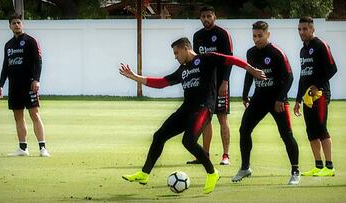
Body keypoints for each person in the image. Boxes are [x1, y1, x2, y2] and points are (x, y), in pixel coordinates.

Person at [120, 37, 266, 194]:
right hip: (187, 109)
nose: (175, 56)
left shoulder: (206, 58)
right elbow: (162, 82)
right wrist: (135, 77)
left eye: (176, 53)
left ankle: (212, 172)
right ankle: (144, 173)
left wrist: (252, 70)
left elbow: (231, 59)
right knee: (159, 136)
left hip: (204, 108)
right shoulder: (183, 69)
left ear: (185, 48)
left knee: (188, 141)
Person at [231, 21, 300, 185]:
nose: (256, 39)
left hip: (277, 100)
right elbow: (250, 73)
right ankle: (245, 167)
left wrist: (280, 98)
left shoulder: (276, 53)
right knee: (244, 130)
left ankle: (295, 171)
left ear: (268, 34)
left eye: (260, 36)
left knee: (286, 135)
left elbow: (289, 77)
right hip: (259, 99)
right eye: (254, 36)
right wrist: (245, 94)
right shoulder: (251, 53)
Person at [0, 13, 50, 157]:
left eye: (18, 22)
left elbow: (38, 61)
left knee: (34, 114)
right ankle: (23, 148)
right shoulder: (8, 45)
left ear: (23, 24)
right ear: (10, 26)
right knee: (18, 116)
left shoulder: (31, 41)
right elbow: (5, 66)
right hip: (14, 87)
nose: (16, 25)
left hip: (29, 85)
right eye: (13, 23)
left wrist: (36, 80)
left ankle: (43, 148)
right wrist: (1, 85)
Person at [187, 6, 233, 165]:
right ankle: (204, 155)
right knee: (205, 119)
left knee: (222, 118)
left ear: (215, 16)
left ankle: (225, 155)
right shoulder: (197, 36)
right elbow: (196, 60)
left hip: (220, 83)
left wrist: (225, 82)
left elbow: (229, 59)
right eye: (203, 16)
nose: (206, 19)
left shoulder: (222, 34)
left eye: (209, 16)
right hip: (204, 86)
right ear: (200, 18)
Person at [294, 16, 337, 177]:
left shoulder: (320, 45)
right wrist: (298, 100)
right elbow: (303, 76)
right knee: (311, 131)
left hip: (320, 94)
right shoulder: (303, 50)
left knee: (321, 129)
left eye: (305, 29)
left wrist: (316, 86)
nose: (302, 32)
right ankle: (318, 166)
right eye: (299, 29)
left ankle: (330, 166)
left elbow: (332, 69)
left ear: (312, 29)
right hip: (307, 97)